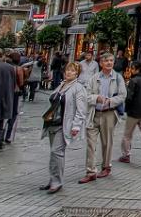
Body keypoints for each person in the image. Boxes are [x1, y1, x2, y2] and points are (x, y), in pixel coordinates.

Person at [40, 61, 88, 194]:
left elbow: (81, 110)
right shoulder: (61, 85)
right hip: (52, 124)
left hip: (64, 125)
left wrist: (76, 126)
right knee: (54, 153)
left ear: (77, 73)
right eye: (68, 70)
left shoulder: (78, 88)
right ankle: (52, 180)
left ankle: (57, 182)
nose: (69, 73)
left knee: (57, 152)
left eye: (73, 71)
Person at [80, 53, 127, 183]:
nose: (109, 63)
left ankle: (106, 167)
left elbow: (123, 95)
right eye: (106, 61)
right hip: (94, 113)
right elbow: (87, 96)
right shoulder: (94, 78)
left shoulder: (118, 78)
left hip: (109, 114)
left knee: (107, 143)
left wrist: (110, 101)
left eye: (111, 61)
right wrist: (97, 98)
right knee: (91, 143)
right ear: (101, 63)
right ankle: (91, 171)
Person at [4, 51, 27, 144]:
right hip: (15, 91)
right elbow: (21, 82)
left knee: (4, 112)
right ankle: (8, 135)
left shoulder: (5, 67)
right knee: (13, 113)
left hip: (4, 91)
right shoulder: (18, 68)